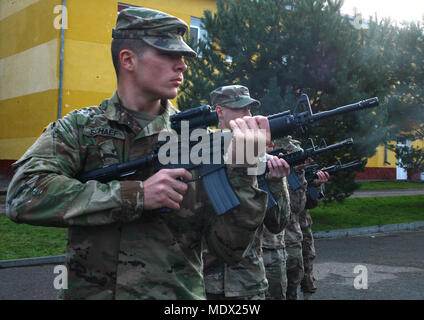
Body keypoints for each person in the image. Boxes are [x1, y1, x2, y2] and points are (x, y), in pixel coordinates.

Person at [6, 8, 271, 300]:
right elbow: (23, 194)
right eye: (169, 55)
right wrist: (136, 195)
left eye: (182, 57)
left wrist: (245, 172)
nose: (182, 66)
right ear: (128, 59)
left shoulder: (199, 143)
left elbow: (230, 250)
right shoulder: (80, 129)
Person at [202, 85, 291, 300]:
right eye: (241, 109)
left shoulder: (263, 159)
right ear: (219, 111)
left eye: (250, 110)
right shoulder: (199, 153)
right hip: (203, 281)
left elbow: (278, 223)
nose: (248, 116)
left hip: (248, 283)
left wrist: (276, 183)